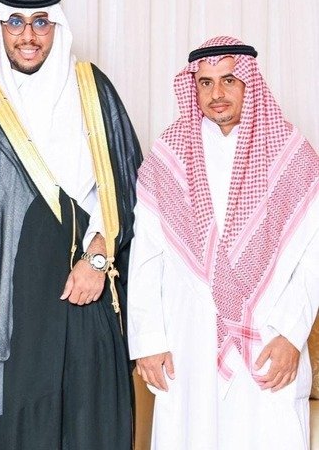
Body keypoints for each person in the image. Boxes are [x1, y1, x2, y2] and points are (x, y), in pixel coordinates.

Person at [0, 0, 142, 449]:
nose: (28, 36)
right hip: (9, 301)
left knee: (91, 422)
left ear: (57, 28)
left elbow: (129, 184)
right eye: (15, 22)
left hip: (84, 286)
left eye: (40, 23)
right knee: (17, 426)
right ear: (0, 27)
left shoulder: (91, 88)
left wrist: (97, 259)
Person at [128, 36, 319, 449]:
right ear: (193, 87)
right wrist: (149, 341)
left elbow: (313, 256)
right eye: (206, 82)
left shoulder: (292, 154)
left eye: (229, 80)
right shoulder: (168, 157)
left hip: (269, 336)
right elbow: (146, 255)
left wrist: (291, 334)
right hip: (187, 339)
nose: (217, 93)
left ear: (249, 82)